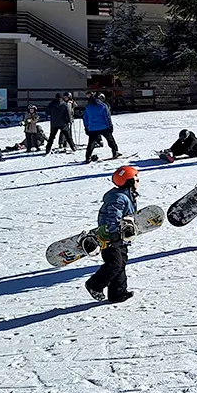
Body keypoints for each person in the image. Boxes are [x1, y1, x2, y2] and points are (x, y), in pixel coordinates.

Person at [85, 166, 139, 303]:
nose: (138, 181)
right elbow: (112, 218)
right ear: (128, 181)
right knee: (114, 263)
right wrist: (115, 234)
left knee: (121, 262)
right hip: (109, 237)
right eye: (135, 179)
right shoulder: (118, 198)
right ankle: (94, 285)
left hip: (121, 236)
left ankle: (118, 293)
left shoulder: (127, 195)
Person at [83, 92, 121, 163]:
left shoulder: (88, 106)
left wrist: (86, 127)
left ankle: (88, 157)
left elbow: (85, 118)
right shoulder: (103, 106)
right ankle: (115, 152)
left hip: (93, 128)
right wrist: (110, 125)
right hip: (104, 126)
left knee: (91, 143)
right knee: (110, 140)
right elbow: (107, 117)